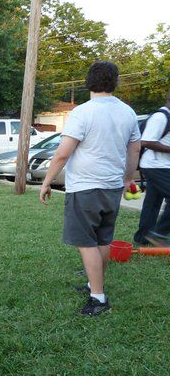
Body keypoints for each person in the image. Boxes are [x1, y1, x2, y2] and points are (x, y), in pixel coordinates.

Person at [40, 61, 141, 316]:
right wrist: (128, 179)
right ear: (115, 82)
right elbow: (135, 149)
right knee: (102, 239)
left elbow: (63, 153)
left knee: (86, 243)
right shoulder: (128, 112)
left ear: (89, 82)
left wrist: (46, 181)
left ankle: (98, 298)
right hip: (112, 187)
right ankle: (94, 285)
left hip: (85, 187)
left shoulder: (83, 113)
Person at [133, 91, 170, 247]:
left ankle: (143, 237)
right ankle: (159, 234)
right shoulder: (160, 117)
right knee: (153, 202)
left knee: (153, 202)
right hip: (155, 166)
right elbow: (146, 141)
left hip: (162, 166)